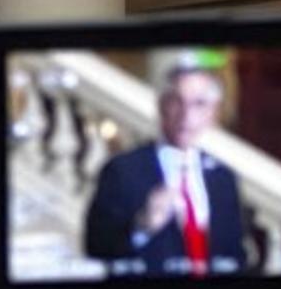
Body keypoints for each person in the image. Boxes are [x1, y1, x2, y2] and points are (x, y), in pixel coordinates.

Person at [83, 63, 249, 275]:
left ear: (213, 114)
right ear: (162, 106)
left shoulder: (223, 177)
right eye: (177, 102)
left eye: (199, 104)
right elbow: (96, 248)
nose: (186, 115)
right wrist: (142, 227)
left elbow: (235, 256)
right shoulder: (122, 171)